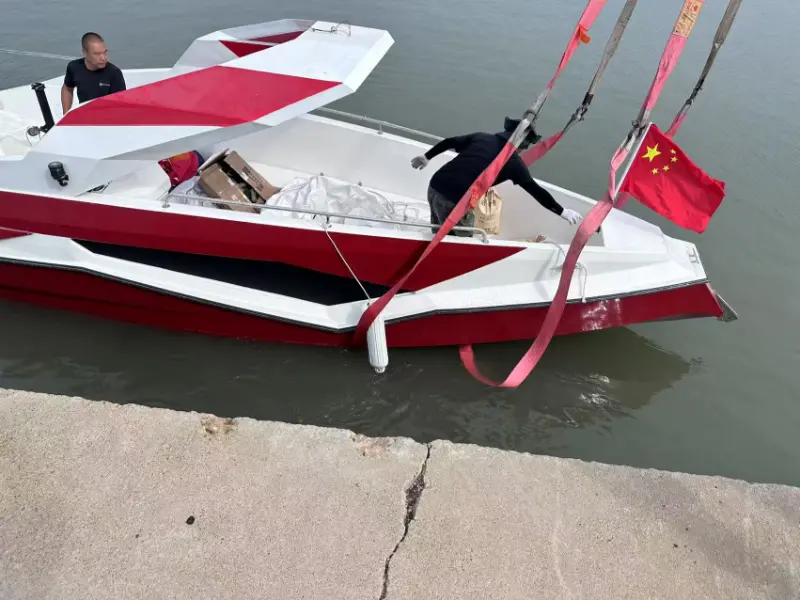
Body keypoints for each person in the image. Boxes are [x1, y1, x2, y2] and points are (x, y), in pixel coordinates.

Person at [411, 117, 582, 236]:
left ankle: (435, 245)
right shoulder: (514, 163)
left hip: (435, 185)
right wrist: (562, 211)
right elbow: (536, 191)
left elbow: (449, 141)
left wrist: (426, 157)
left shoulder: (481, 137)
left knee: (438, 229)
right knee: (462, 239)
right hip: (452, 201)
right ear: (521, 146)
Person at [61, 32, 126, 114]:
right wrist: (66, 114)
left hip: (107, 118)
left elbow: (121, 105)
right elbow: (67, 89)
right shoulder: (74, 67)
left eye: (105, 52)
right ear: (84, 53)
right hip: (85, 116)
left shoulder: (114, 73)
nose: (103, 58)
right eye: (97, 54)